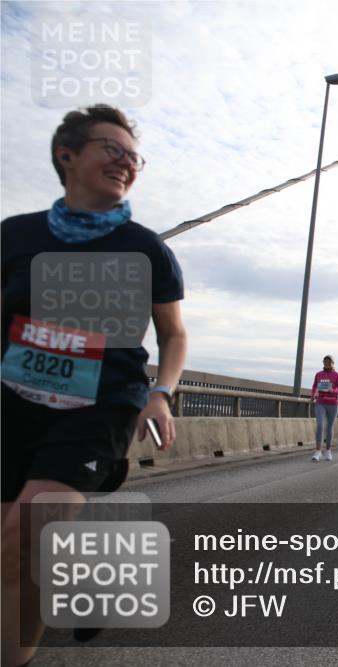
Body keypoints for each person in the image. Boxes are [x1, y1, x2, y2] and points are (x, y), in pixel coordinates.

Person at [1, 105, 188, 666]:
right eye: (113, 149)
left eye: (134, 156)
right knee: (14, 555)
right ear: (67, 155)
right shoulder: (16, 236)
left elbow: (173, 335)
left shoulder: (147, 248)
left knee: (22, 536)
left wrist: (161, 393)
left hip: (100, 405)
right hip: (14, 403)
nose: (126, 162)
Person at [310, 355, 338, 461]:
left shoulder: (336, 375)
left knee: (329, 427)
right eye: (325, 362)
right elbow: (314, 387)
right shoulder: (318, 374)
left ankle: (328, 451)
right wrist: (312, 396)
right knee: (320, 426)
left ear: (333, 363)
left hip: (333, 404)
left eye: (329, 362)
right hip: (320, 402)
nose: (327, 363)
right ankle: (318, 451)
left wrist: (332, 390)